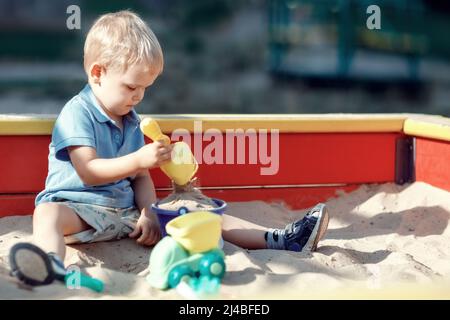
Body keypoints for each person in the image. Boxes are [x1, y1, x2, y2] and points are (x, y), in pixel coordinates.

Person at [9, 10, 329, 286]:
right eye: (131, 87)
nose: (138, 97)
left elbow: (140, 179)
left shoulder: (131, 120)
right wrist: (137, 159)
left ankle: (282, 239)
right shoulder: (77, 113)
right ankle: (50, 264)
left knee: (193, 211)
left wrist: (149, 210)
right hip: (78, 212)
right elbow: (88, 171)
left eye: (145, 89)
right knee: (46, 213)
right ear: (97, 74)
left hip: (127, 215)